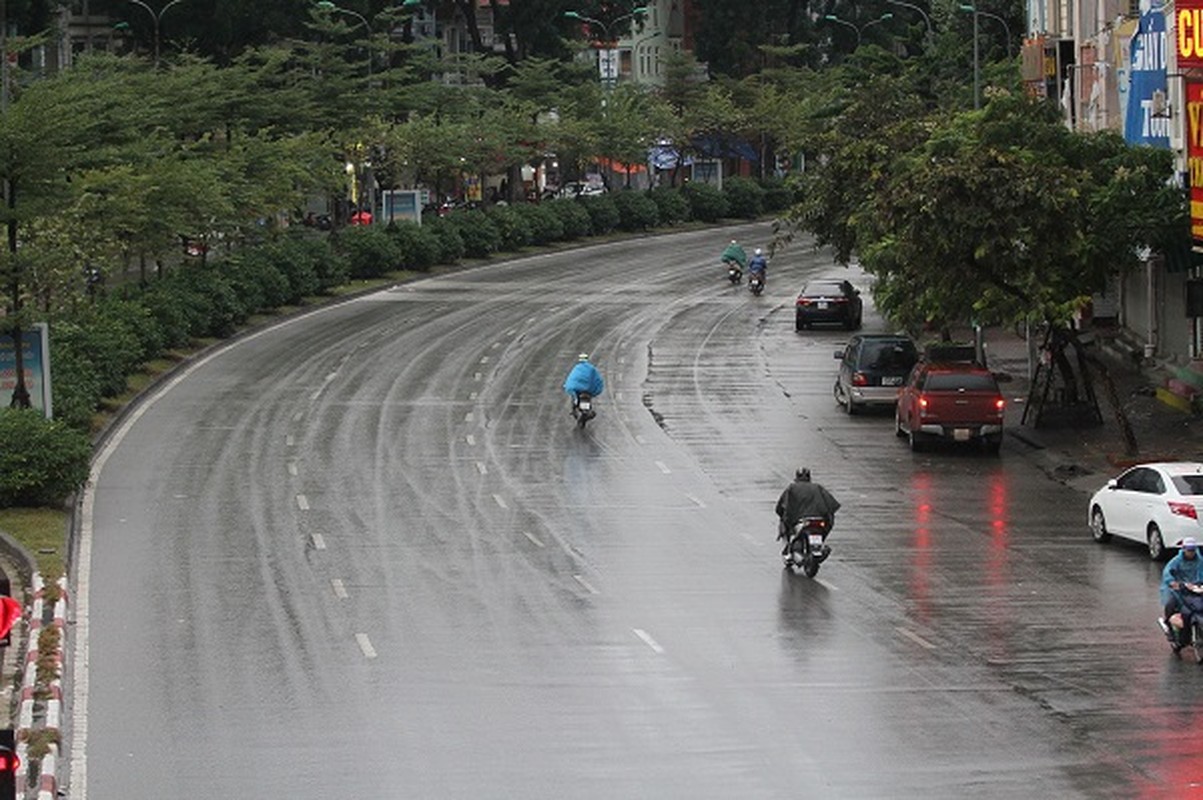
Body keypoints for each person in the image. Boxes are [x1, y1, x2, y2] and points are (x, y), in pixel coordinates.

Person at [775, 467, 840, 557]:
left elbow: (781, 506)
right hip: (819, 520)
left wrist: (784, 518)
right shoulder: (818, 487)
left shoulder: (792, 488)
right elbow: (832, 505)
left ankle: (789, 550)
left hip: (801, 521)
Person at [1160, 537, 1203, 651]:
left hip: (1196, 588)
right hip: (1178, 590)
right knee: (1171, 604)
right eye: (1188, 550)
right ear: (1183, 549)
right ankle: (1169, 626)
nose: (1191, 552)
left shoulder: (1200, 561)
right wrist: (1174, 583)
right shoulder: (1176, 562)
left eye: (1193, 550)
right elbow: (1167, 574)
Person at [563, 353, 605, 417]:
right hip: (587, 389)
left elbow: (572, 378)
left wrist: (568, 385)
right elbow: (597, 379)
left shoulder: (577, 368)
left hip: (577, 389)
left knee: (573, 396)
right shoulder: (591, 368)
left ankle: (574, 408)